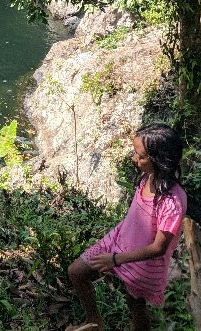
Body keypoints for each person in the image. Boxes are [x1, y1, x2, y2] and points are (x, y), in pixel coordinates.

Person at [66, 124, 186, 331]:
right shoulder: (147, 177)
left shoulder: (172, 201)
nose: (134, 160)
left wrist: (115, 260)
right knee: (76, 271)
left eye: (141, 156)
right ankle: (94, 323)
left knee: (135, 305)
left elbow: (159, 248)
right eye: (135, 153)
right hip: (118, 243)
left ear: (160, 160)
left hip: (142, 262)